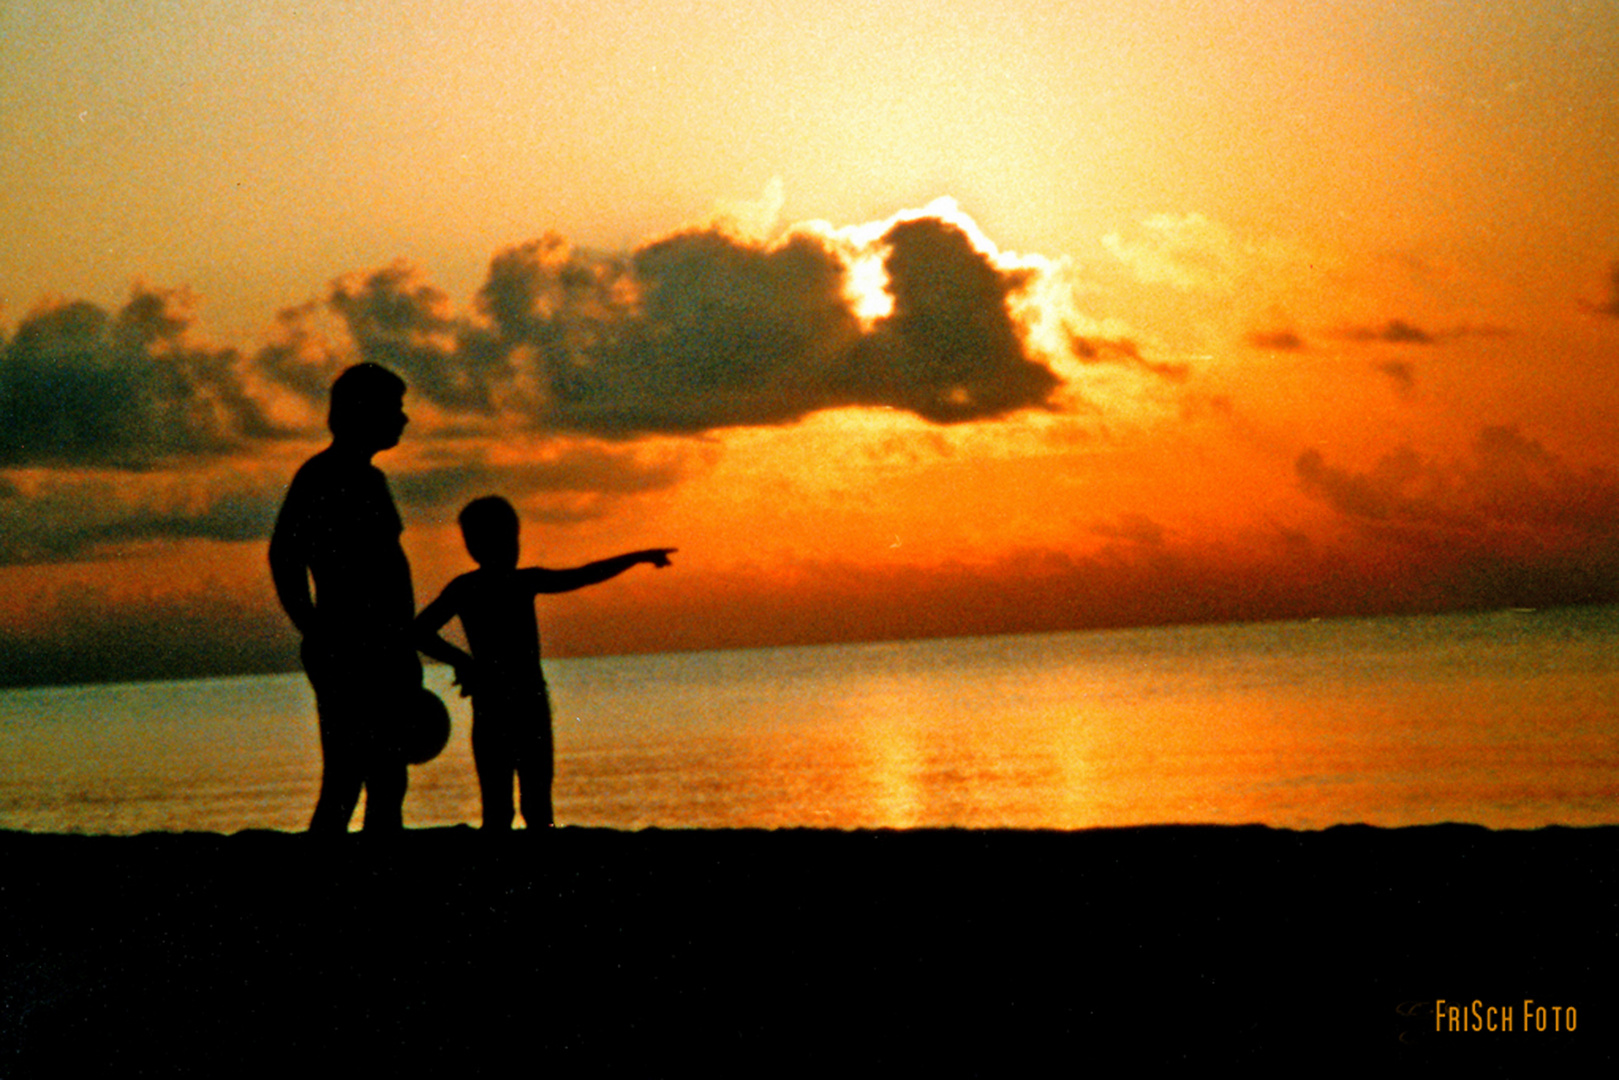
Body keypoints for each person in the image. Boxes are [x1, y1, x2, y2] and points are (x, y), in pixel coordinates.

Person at [416, 495, 674, 831]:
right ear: (478, 545)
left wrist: (464, 663)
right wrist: (465, 662)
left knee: (504, 809)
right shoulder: (514, 582)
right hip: (523, 704)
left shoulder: (469, 587)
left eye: (514, 538)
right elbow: (585, 576)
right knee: (529, 808)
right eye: (509, 538)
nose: (514, 546)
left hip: (499, 705)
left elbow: (420, 632)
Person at [269, 362, 422, 834]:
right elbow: (285, 553)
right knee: (348, 773)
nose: (404, 419)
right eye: (394, 408)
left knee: (386, 775)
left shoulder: (368, 478)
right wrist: (313, 626)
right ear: (364, 411)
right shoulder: (323, 474)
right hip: (351, 645)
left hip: (387, 646)